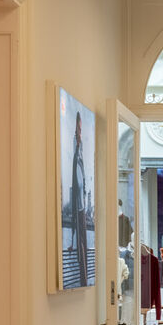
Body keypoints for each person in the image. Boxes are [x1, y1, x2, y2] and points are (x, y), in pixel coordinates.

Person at [66, 111, 91, 286]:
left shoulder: (80, 158)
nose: (79, 135)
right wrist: (73, 239)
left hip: (82, 212)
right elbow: (76, 192)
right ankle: (83, 275)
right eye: (78, 131)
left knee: (84, 249)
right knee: (81, 251)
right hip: (79, 212)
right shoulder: (77, 159)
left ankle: (84, 276)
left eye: (81, 130)